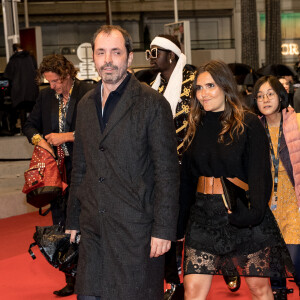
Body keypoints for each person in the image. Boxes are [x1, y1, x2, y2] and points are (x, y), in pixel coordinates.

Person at [65, 25, 179, 300]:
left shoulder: (152, 104)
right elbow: (80, 165)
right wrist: (73, 219)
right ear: (92, 58)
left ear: (129, 58)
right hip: (93, 229)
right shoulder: (85, 104)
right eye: (101, 52)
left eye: (116, 52)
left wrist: (163, 229)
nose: (108, 60)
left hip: (136, 232)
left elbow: (167, 171)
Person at [179, 60, 294, 300]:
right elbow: (187, 180)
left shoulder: (248, 123)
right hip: (202, 218)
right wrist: (178, 224)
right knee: (192, 290)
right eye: (199, 88)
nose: (203, 93)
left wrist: (254, 214)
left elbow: (260, 176)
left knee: (259, 290)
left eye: (210, 85)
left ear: (225, 85)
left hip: (242, 214)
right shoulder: (193, 125)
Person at [23, 54, 94, 297]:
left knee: (85, 224)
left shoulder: (87, 91)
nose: (52, 86)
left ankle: (90, 278)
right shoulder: (46, 96)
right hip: (56, 174)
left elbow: (98, 129)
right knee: (62, 224)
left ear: (67, 75)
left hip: (84, 170)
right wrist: (40, 141)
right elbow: (29, 125)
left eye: (55, 81)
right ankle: (71, 279)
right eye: (48, 82)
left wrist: (68, 136)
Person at [147, 34, 196, 299]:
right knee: (168, 223)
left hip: (192, 165)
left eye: (155, 53)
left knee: (197, 223)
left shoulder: (195, 80)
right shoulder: (151, 86)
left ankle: (223, 265)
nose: (151, 58)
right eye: (150, 53)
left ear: (172, 55)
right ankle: (173, 282)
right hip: (161, 167)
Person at [253, 75, 300, 298]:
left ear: (281, 96)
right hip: (267, 206)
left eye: (270, 93)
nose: (265, 99)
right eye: (260, 96)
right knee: (273, 268)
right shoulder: (254, 128)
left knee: (294, 259)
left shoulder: (297, 122)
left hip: (294, 202)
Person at [4, 43, 39, 134]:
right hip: (31, 89)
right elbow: (36, 70)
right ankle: (34, 129)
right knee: (32, 109)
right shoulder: (31, 57)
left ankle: (24, 130)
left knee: (22, 110)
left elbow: (8, 75)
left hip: (19, 90)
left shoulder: (14, 60)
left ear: (14, 50)